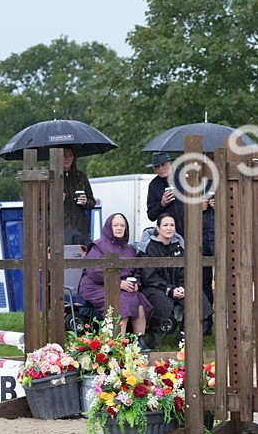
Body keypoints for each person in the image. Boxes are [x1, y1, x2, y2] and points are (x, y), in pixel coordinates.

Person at [77, 213, 154, 350]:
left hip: (123, 287)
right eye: (115, 225)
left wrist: (135, 284)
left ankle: (138, 341)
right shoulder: (98, 246)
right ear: (109, 227)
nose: (119, 228)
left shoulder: (130, 249)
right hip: (97, 285)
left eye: (122, 225)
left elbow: (136, 272)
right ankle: (118, 343)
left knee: (140, 301)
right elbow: (94, 271)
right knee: (121, 302)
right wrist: (117, 284)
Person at [139, 214, 211, 345]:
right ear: (158, 228)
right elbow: (149, 276)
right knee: (161, 301)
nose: (169, 228)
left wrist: (183, 287)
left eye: (172, 225)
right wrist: (169, 290)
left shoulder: (179, 246)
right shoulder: (148, 247)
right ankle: (154, 336)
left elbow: (185, 271)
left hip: (177, 286)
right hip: (154, 287)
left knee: (196, 296)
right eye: (165, 225)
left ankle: (185, 335)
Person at [61, 146, 97, 246]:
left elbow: (92, 202)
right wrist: (54, 200)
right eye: (64, 155)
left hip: (80, 231)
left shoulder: (81, 176)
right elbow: (40, 205)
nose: (67, 158)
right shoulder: (50, 178)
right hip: (59, 232)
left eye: (70, 155)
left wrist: (86, 202)